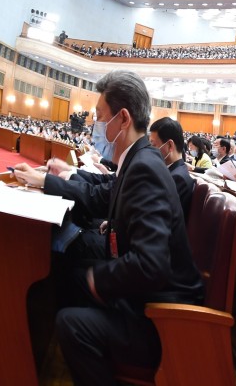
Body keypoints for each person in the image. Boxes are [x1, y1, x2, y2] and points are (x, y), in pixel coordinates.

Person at [47, 71, 203, 384]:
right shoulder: (139, 158)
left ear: (122, 119)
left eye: (99, 116)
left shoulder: (145, 166)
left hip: (162, 317)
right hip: (148, 296)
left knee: (70, 322)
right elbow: (107, 194)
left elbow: (151, 265)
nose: (95, 124)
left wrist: (99, 279)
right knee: (69, 273)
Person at [149, 117, 195, 218]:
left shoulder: (178, 178)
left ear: (170, 145)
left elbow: (158, 216)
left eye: (153, 145)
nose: (150, 150)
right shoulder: (173, 171)